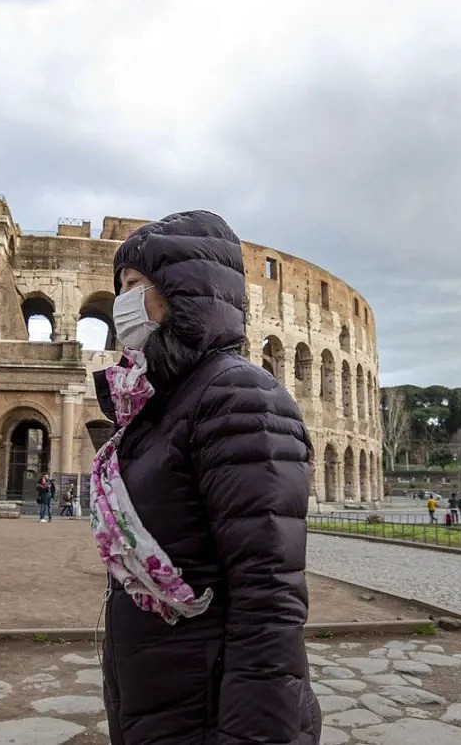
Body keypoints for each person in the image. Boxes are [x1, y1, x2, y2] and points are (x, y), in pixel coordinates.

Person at [92, 211, 320, 743]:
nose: (121, 304)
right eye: (118, 287)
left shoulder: (238, 398)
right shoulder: (160, 404)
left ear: (184, 292)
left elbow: (268, 596)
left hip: (210, 708)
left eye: (132, 287)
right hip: (167, 697)